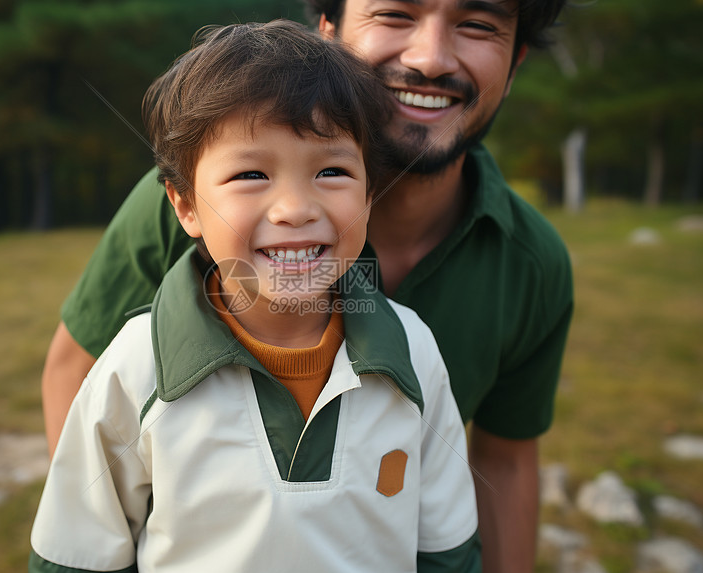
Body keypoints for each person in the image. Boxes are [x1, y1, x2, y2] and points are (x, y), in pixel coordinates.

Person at [41, 1, 573, 570]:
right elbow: (78, 380)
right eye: (394, 12)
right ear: (330, 31)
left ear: (516, 60)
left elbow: (503, 467)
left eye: (476, 24)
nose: (430, 58)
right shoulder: (176, 202)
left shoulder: (528, 265)